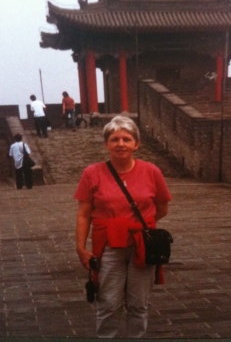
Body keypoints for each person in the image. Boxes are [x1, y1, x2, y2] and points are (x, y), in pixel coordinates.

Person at [74, 115, 172, 338]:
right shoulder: (92, 173)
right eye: (114, 139)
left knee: (138, 304)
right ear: (106, 144)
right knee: (108, 303)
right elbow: (84, 214)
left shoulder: (151, 171)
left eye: (126, 139)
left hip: (142, 246)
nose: (120, 144)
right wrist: (81, 248)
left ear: (136, 144)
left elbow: (162, 208)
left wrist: (139, 224)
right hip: (108, 245)